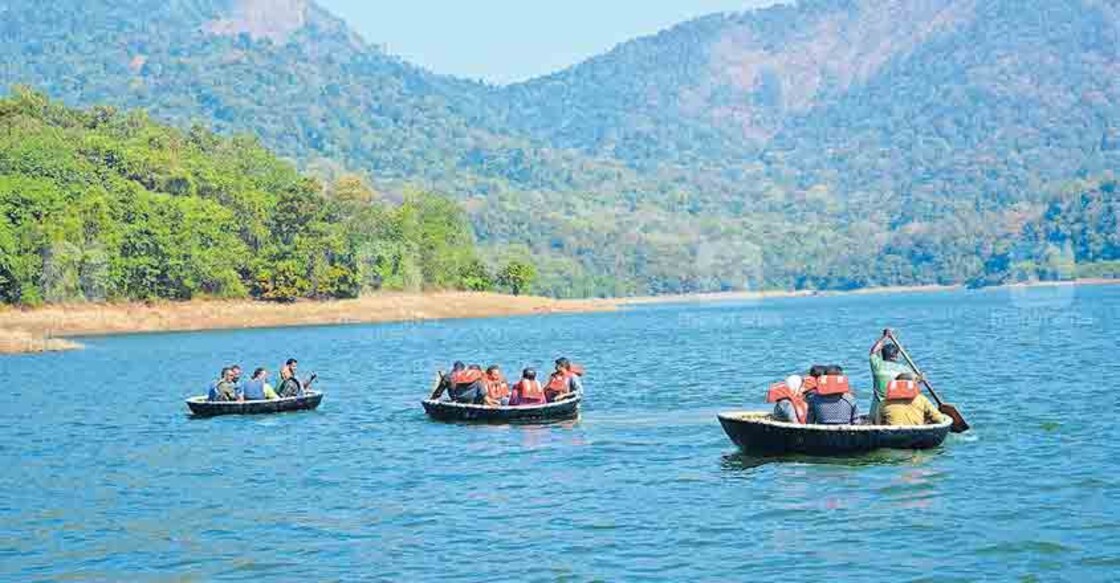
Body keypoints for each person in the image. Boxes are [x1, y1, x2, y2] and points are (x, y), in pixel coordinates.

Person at [869, 329, 913, 423]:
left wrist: (885, 337)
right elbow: (915, 382)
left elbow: (873, 351)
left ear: (882, 355)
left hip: (877, 411)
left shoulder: (877, 366)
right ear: (896, 356)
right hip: (898, 412)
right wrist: (921, 378)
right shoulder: (905, 369)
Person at [880, 373, 947, 426]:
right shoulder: (921, 399)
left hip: (891, 437)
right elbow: (939, 420)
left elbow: (878, 423)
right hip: (917, 435)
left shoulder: (884, 402)